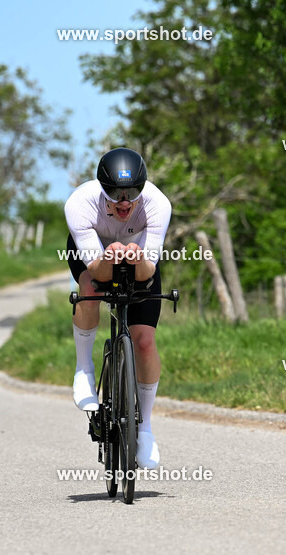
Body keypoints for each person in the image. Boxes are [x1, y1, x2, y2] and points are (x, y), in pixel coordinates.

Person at [63, 147, 171, 469]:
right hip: (95, 254)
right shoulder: (79, 204)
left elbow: (147, 273)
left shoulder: (158, 204)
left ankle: (145, 428)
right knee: (88, 288)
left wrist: (135, 258)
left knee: (144, 341)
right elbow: (97, 272)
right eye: (115, 194)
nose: (124, 202)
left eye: (132, 193)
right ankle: (84, 368)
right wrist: (109, 256)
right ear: (102, 189)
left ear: (143, 188)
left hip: (139, 257)